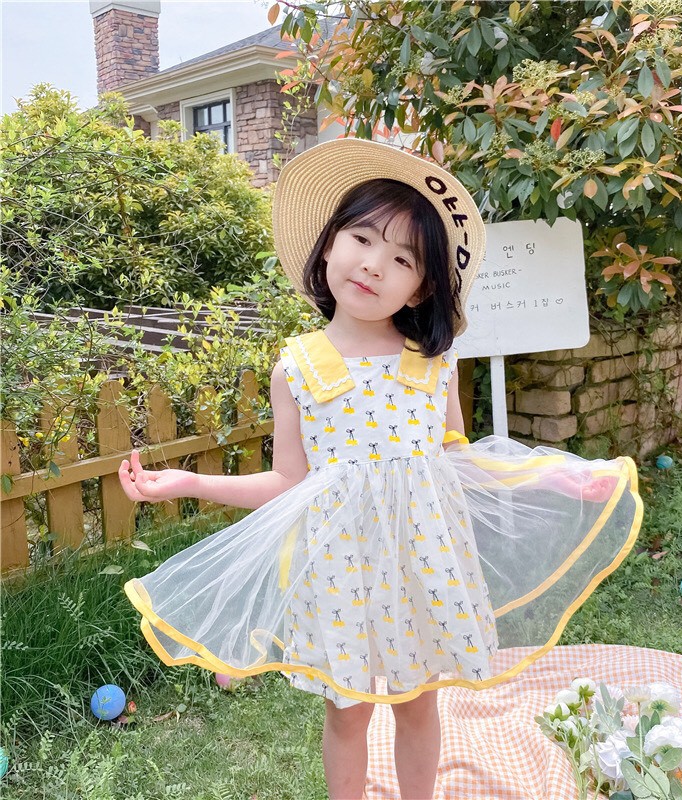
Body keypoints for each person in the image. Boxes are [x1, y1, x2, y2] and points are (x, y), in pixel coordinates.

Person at [119, 138, 642, 800]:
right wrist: (190, 482)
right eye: (362, 239)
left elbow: (461, 463)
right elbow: (287, 483)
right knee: (347, 713)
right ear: (328, 245)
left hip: (423, 565)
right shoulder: (296, 369)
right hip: (340, 571)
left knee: (419, 703)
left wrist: (552, 478)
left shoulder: (433, 364)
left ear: (422, 285)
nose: (374, 265)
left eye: (402, 259)